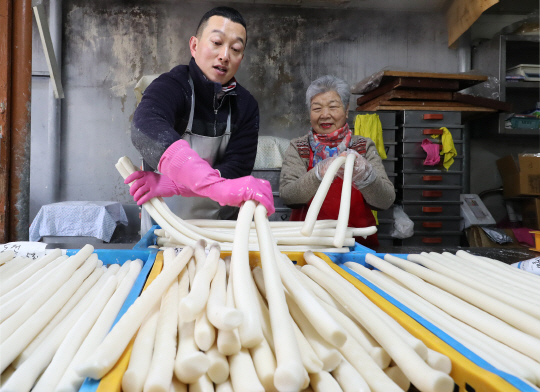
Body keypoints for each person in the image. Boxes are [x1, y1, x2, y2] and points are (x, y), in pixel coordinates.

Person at [125, 7, 275, 221]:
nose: (224, 56)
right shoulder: (172, 86)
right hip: (164, 226)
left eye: (235, 48)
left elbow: (235, 169)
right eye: (216, 43)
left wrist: (174, 185)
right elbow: (146, 128)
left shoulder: (246, 105)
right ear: (194, 46)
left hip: (222, 228)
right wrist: (217, 187)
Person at [279, 75, 395, 248]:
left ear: (347, 110)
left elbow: (385, 200)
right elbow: (288, 196)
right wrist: (318, 174)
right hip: (307, 244)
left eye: (333, 107)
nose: (325, 115)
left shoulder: (362, 146)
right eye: (317, 108)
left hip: (357, 244)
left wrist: (366, 177)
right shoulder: (299, 147)